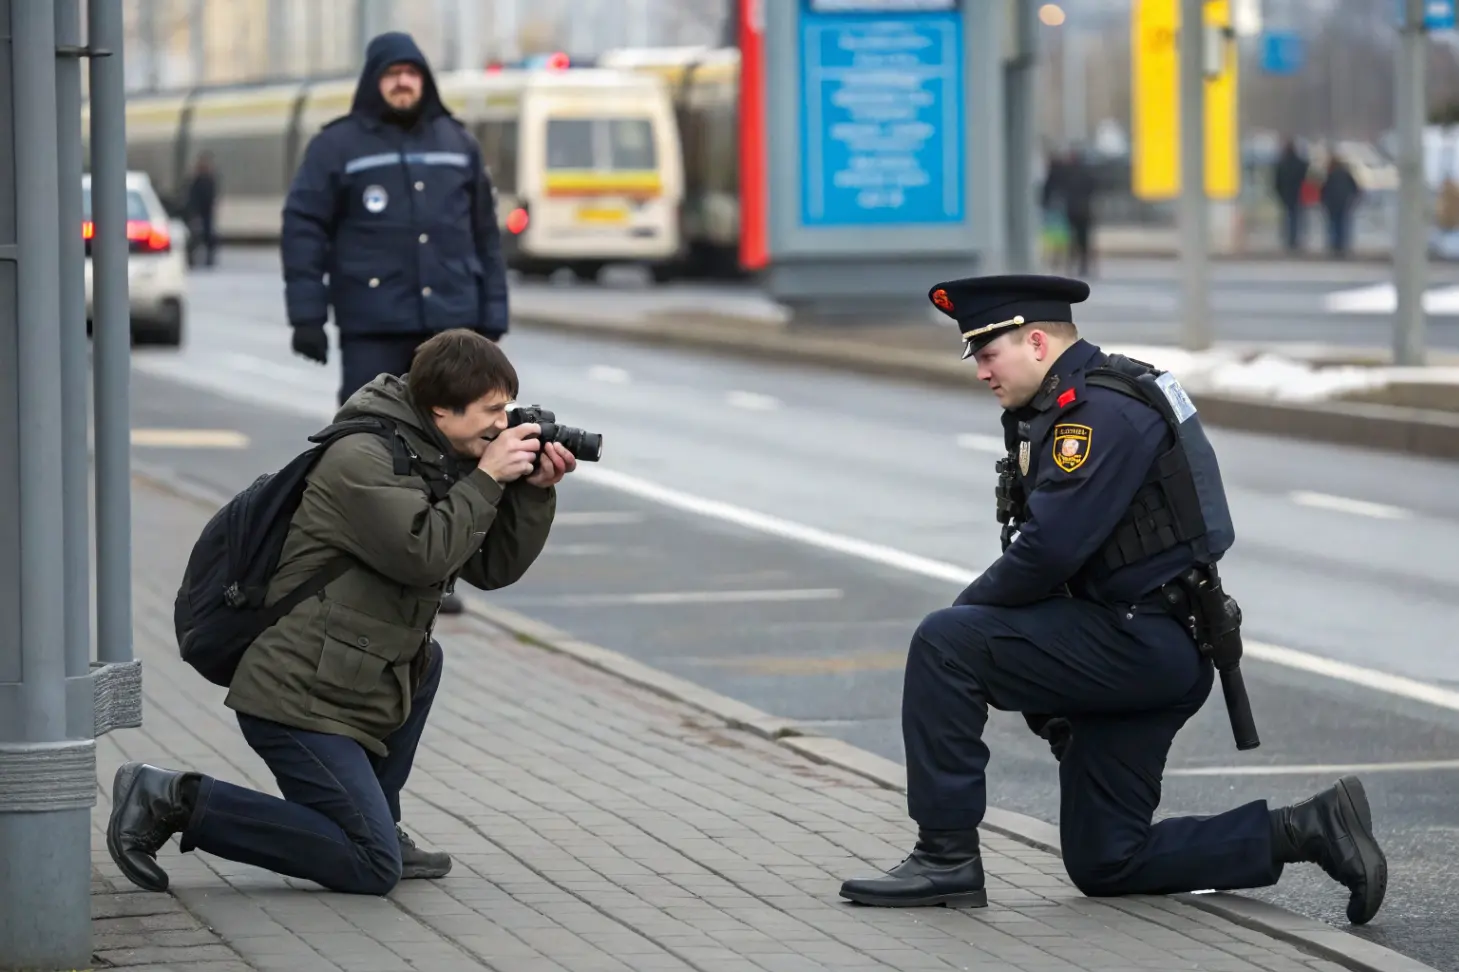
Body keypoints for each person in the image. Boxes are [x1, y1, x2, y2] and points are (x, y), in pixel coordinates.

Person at [838, 275, 1387, 927]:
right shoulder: (1069, 402)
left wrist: (964, 618)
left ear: (1035, 342)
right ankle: (1311, 828)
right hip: (1142, 639)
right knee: (1106, 861)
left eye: (988, 354)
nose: (981, 371)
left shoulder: (1097, 414)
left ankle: (944, 857)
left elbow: (1048, 552)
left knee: (944, 643)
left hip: (1140, 641)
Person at [106, 329, 570, 897]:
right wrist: (489, 477)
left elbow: (491, 569)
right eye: (492, 410)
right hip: (296, 694)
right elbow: (424, 553)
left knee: (425, 661)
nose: (505, 423)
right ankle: (173, 798)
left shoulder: (436, 455)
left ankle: (379, 824)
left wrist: (532, 492)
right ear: (440, 410)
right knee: (371, 867)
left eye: (508, 409)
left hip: (349, 677)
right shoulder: (362, 458)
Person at [281, 31, 510, 614]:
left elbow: (486, 236)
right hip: (373, 323)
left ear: (424, 79)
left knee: (455, 446)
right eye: (391, 73)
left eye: (412, 72)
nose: (403, 82)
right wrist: (307, 314)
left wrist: (493, 313)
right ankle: (365, 569)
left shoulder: (457, 142)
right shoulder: (337, 146)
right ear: (373, 81)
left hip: (452, 328)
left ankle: (439, 574)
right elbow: (304, 227)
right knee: (373, 444)